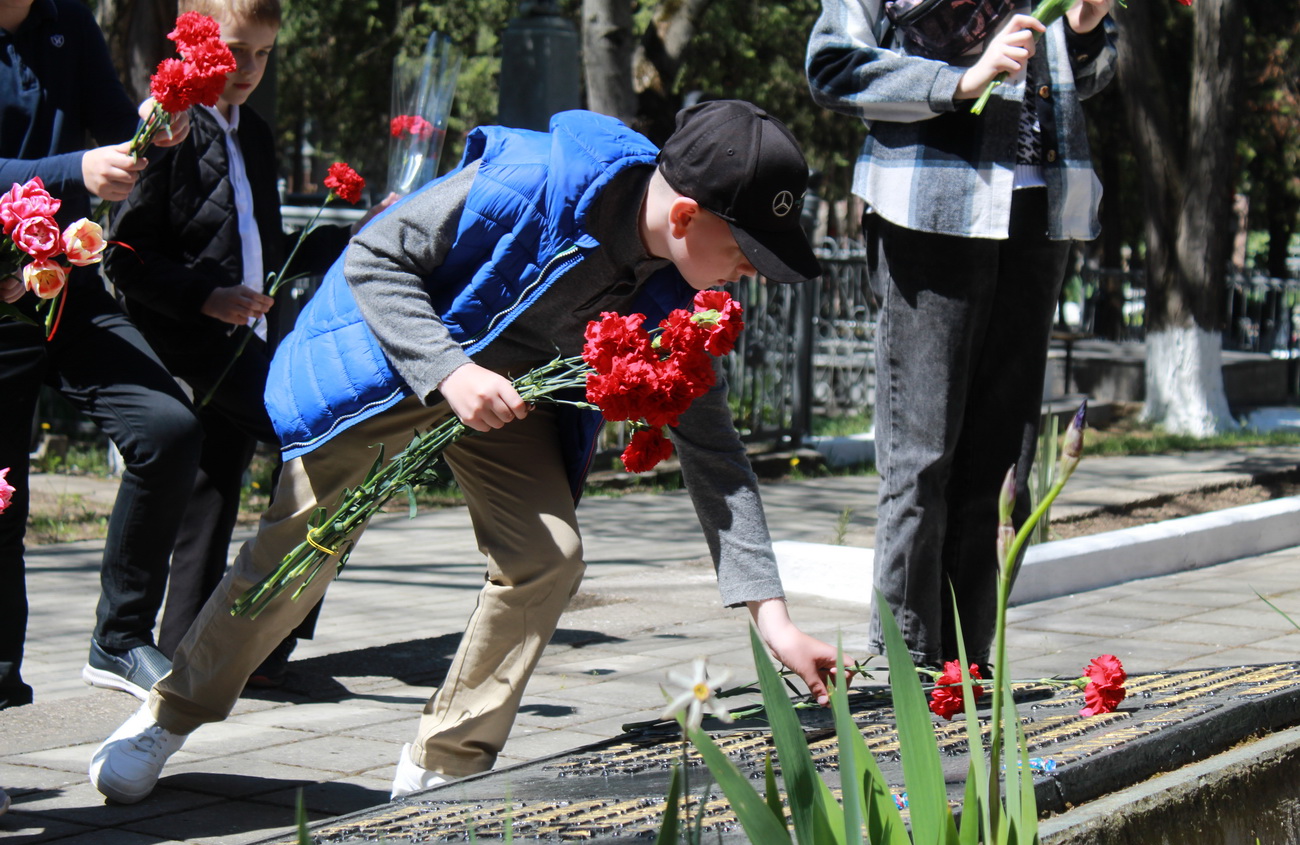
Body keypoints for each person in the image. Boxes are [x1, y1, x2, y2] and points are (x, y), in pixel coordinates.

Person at [89, 98, 853, 804]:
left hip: (507, 401)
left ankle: (441, 762)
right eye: (747, 249)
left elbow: (716, 454)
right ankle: (169, 711)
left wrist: (773, 618)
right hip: (399, 361)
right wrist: (448, 370)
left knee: (547, 554)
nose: (752, 272)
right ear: (685, 215)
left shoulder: (679, 303)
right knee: (300, 547)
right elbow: (375, 257)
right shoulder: (532, 179)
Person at [806, 0, 1117, 668]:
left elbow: (1084, 74)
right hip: (929, 208)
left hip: (1038, 212)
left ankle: (967, 672)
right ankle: (904, 680)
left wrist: (1085, 30)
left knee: (1006, 467)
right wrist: (962, 80)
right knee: (921, 460)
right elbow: (831, 65)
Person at [102, 0, 382, 686]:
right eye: (233, 51)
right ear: (198, 45)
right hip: (195, 347)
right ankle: (269, 633)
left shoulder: (252, 133)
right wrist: (207, 296)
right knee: (333, 445)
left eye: (262, 53)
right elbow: (124, 259)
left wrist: (355, 235)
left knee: (212, 492)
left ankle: (191, 655)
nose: (248, 68)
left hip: (240, 344)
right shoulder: (168, 129)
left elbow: (269, 245)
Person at [0, 0, 200, 709]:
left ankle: (119, 635)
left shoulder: (66, 21)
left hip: (63, 285)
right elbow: (77, 166)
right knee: (1, 509)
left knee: (168, 429)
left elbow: (118, 130)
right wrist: (73, 170)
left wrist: (158, 126)